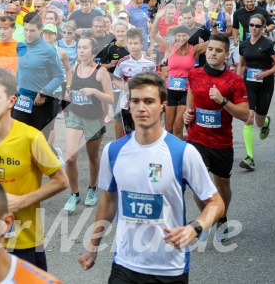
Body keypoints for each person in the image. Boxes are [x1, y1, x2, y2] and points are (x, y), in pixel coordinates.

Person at [78, 72, 224, 282]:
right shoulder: (113, 151)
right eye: (135, 101)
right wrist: (93, 247)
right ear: (128, 104)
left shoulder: (182, 152)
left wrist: (195, 227)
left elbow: (216, 203)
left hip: (169, 269)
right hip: (124, 265)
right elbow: (108, 201)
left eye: (149, 101)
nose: (141, 108)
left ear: (163, 106)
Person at [0, 68, 68, 270]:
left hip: (24, 241)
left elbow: (61, 181)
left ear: (11, 101)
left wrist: (21, 201)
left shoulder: (31, 138)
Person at [183, 34, 249, 242]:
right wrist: (187, 113)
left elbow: (245, 114)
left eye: (218, 50)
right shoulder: (194, 74)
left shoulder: (235, 81)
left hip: (221, 142)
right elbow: (191, 96)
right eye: (210, 49)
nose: (213, 53)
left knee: (222, 185)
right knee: (196, 183)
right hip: (197, 138)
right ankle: (207, 219)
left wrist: (223, 102)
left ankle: (221, 217)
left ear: (226, 54)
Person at [63, 36, 113, 212]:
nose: (81, 51)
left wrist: (94, 91)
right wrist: (68, 95)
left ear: (93, 51)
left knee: (92, 156)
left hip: (94, 118)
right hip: (75, 116)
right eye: (79, 48)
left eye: (85, 48)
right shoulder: (74, 68)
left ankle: (92, 188)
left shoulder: (101, 72)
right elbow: (70, 90)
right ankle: (74, 193)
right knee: (70, 158)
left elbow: (110, 98)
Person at [236, 14, 275, 170]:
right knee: (248, 118)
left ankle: (266, 123)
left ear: (263, 28)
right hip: (248, 83)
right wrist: (236, 80)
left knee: (259, 120)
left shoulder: (269, 44)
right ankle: (249, 158)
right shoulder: (243, 45)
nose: (254, 28)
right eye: (252, 25)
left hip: (265, 84)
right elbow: (241, 65)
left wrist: (265, 73)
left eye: (257, 26)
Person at [150, 24, 208, 140]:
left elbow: (214, 41)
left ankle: (179, 154)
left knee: (178, 126)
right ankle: (168, 153)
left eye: (184, 36)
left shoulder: (194, 49)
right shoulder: (170, 47)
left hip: (186, 92)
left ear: (189, 36)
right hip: (170, 91)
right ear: (175, 36)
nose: (181, 38)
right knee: (168, 128)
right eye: (179, 36)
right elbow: (153, 34)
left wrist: (213, 26)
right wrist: (158, 18)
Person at [13, 14, 64, 140]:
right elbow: (20, 70)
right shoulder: (20, 46)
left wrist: (43, 92)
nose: (28, 34)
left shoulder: (48, 50)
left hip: (41, 104)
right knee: (19, 140)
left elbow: (59, 76)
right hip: (22, 101)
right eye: (25, 30)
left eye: (32, 31)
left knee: (37, 145)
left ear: (40, 30)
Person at [113, 28, 157, 135]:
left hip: (145, 103)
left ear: (142, 44)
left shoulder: (150, 63)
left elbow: (154, 81)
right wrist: (125, 87)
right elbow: (115, 80)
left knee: (143, 132)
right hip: (127, 103)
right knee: (129, 133)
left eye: (136, 43)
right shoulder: (122, 62)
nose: (133, 46)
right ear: (126, 44)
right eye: (130, 43)